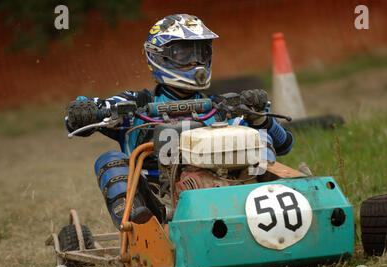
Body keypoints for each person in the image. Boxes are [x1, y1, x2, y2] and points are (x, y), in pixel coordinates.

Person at [65, 14, 294, 230]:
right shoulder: (133, 104)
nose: (196, 62)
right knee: (110, 160)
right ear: (159, 56)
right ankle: (137, 228)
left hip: (218, 192)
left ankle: (269, 205)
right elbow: (75, 126)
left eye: (200, 53)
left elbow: (284, 145)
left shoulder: (220, 108)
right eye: (184, 54)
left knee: (260, 139)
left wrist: (260, 119)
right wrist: (85, 110)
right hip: (154, 201)